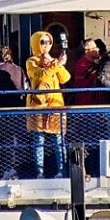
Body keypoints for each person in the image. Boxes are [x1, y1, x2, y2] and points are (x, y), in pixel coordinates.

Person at [24, 30, 70, 178]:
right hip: (38, 105)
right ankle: (39, 173)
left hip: (55, 105)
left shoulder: (53, 62)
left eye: (49, 42)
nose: (47, 45)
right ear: (36, 44)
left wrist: (55, 63)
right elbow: (39, 76)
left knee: (58, 141)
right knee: (39, 141)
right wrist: (56, 64)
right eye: (43, 42)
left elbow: (65, 78)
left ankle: (61, 171)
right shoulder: (31, 61)